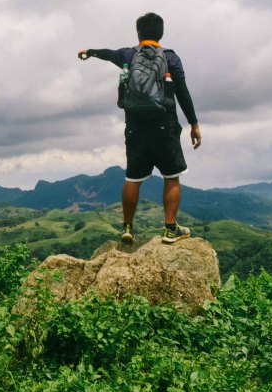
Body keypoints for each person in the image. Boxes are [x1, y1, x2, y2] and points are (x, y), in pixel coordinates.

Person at [78, 12, 201, 244]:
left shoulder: (128, 55)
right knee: (172, 177)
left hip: (134, 125)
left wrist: (89, 52)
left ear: (139, 33)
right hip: (164, 124)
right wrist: (194, 124)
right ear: (161, 33)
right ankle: (170, 229)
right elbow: (183, 93)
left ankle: (127, 228)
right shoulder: (171, 58)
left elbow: (107, 54)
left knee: (133, 178)